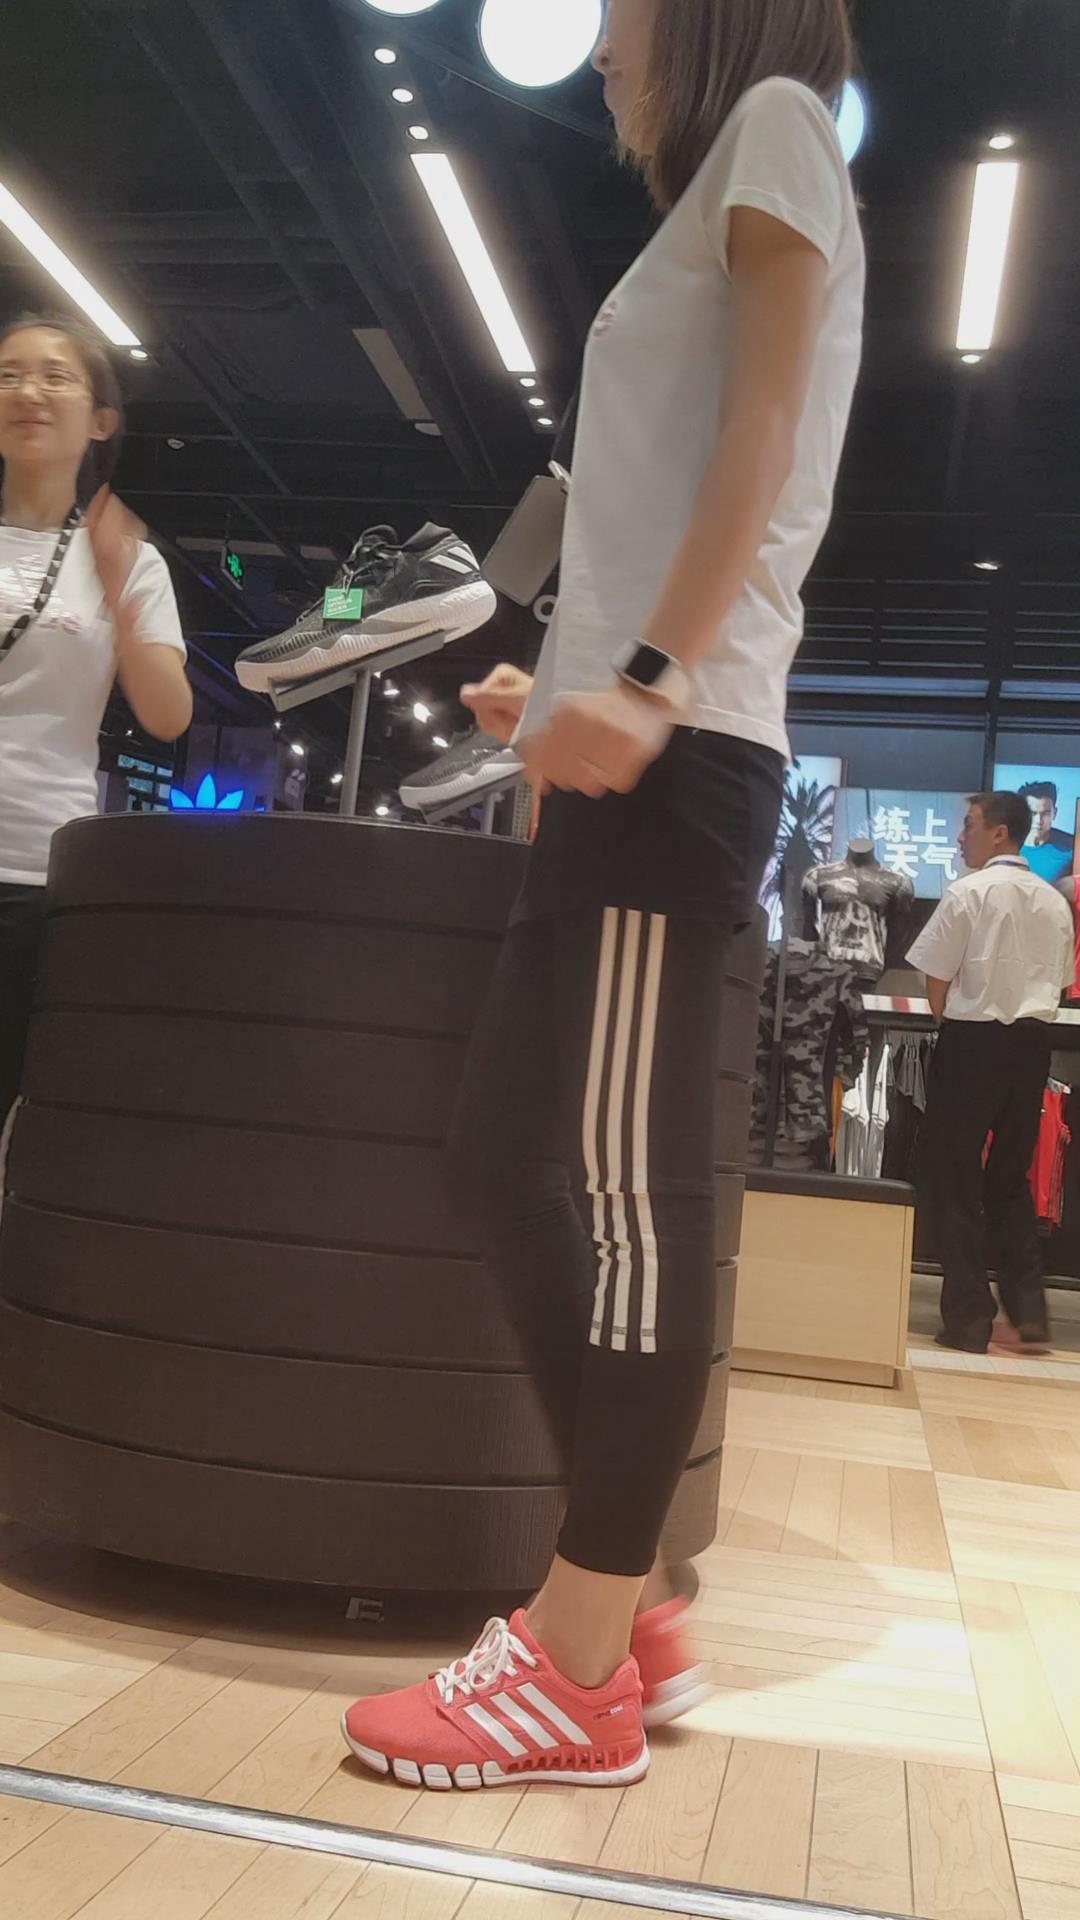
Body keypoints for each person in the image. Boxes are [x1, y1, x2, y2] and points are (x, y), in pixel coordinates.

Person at [343, 0, 864, 1792]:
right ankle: (623, 1589)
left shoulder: (779, 119)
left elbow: (766, 440)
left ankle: (575, 1666)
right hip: (621, 752)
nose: (603, 41)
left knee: (634, 1205)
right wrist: (563, 678)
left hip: (678, 755)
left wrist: (646, 678)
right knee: (501, 1161)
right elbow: (680, 477)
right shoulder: (724, 178)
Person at [0, 312, 192, 1127]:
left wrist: (115, 586)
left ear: (101, 420)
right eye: (8, 374)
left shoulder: (131, 563)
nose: (27, 392)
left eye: (55, 376)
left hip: (35, 870)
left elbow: (168, 716)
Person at [907, 792, 1075, 1357]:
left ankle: (969, 1320)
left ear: (999, 832)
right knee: (1009, 1176)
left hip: (971, 1040)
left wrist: (955, 1024)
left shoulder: (968, 891)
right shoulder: (1054, 902)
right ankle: (1029, 1313)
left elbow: (936, 981)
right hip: (1032, 1045)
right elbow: (1060, 981)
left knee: (952, 1176)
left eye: (969, 824)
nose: (961, 836)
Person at [1018, 780, 1075, 884]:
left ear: (1054, 813)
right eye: (1033, 813)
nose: (1039, 820)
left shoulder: (1072, 847)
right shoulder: (1007, 845)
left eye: (1045, 813)